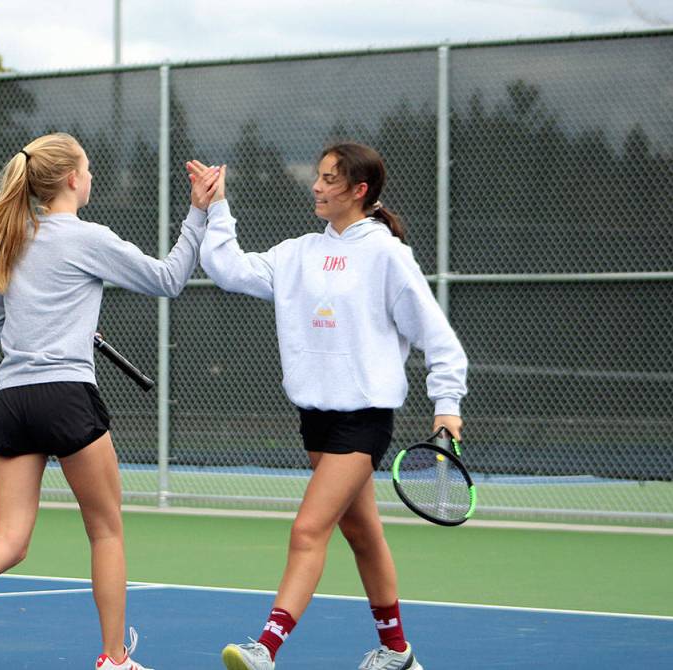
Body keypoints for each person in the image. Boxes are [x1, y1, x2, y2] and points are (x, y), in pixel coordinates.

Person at [0, 132, 219, 670]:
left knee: (8, 539)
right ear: (71, 178)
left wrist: (57, 326)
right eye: (88, 169)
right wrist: (198, 213)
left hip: (12, 401)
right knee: (106, 529)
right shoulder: (88, 237)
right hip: (66, 396)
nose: (90, 176)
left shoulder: (12, 239)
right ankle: (114, 660)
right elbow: (168, 279)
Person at [189, 142, 467, 670]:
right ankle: (397, 653)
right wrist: (215, 206)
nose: (316, 187)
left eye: (329, 180)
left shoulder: (387, 256)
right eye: (317, 177)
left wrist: (446, 405)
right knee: (363, 533)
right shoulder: (297, 253)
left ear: (359, 191)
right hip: (315, 418)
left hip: (364, 419)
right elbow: (226, 267)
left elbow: (438, 337)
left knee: (308, 529)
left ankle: (265, 648)